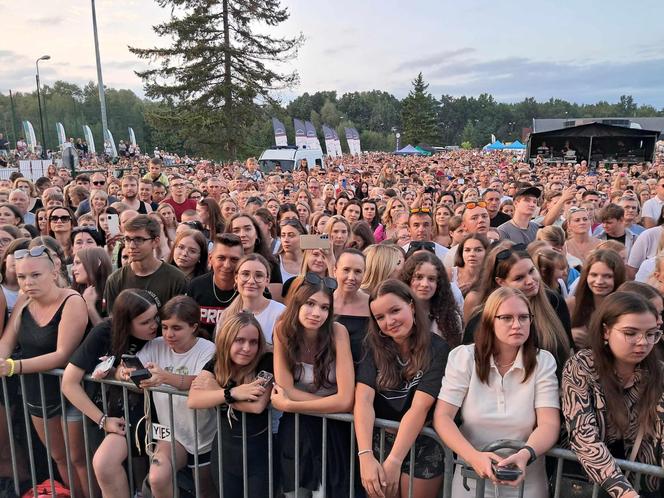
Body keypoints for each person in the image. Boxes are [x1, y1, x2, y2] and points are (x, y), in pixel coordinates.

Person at [434, 287, 560, 498]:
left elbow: (549, 423)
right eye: (507, 318)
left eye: (523, 317)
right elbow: (443, 417)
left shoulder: (543, 361)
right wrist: (473, 457)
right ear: (491, 321)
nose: (517, 325)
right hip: (471, 479)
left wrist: (525, 455)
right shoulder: (464, 358)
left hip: (526, 481)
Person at [0, 245, 89, 497]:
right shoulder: (23, 300)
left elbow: (62, 354)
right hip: (37, 391)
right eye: (21, 277)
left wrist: (14, 367)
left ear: (54, 272)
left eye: (35, 275)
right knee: (59, 456)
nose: (27, 283)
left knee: (78, 457)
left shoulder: (72, 300)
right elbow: (7, 341)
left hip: (70, 391)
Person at [562, 292, 664, 498]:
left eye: (651, 333)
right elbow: (583, 434)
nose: (643, 342)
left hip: (644, 485)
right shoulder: (582, 366)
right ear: (606, 331)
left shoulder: (658, 372)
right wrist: (624, 493)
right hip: (587, 484)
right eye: (630, 333)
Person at [355, 279, 450, 498]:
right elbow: (363, 400)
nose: (390, 321)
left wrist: (395, 460)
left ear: (412, 306)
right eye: (380, 317)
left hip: (423, 440)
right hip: (381, 439)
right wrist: (365, 455)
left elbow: (420, 407)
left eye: (395, 310)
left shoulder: (438, 348)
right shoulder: (372, 345)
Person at [62, 290, 160, 498]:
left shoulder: (163, 332)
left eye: (156, 317)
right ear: (125, 322)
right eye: (145, 322)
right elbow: (69, 383)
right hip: (117, 413)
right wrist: (103, 420)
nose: (154, 325)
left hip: (160, 415)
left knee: (153, 478)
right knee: (104, 464)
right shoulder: (104, 332)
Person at [271, 273, 355, 497]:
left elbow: (347, 399)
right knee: (296, 493)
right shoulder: (282, 331)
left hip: (333, 428)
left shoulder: (338, 332)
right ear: (297, 303)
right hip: (298, 428)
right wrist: (330, 403)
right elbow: (285, 388)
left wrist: (291, 405)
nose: (317, 313)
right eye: (310, 304)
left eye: (324, 307)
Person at [129, 296, 216, 498]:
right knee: (157, 477)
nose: (169, 334)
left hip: (202, 434)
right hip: (169, 433)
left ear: (194, 327)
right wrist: (125, 373)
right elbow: (132, 367)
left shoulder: (207, 349)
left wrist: (164, 377)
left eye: (176, 328)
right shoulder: (156, 345)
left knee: (205, 492)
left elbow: (200, 382)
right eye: (165, 327)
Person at [188, 312, 274, 497]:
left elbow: (256, 406)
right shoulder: (216, 363)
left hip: (260, 454)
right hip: (224, 451)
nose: (247, 348)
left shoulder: (266, 361)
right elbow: (194, 399)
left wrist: (217, 392)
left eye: (253, 342)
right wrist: (233, 393)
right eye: (239, 340)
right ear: (227, 340)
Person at [464, 242, 572, 377]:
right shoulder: (482, 319)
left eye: (532, 271)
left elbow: (567, 352)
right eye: (519, 278)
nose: (530, 281)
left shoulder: (554, 301)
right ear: (501, 282)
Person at [104, 215, 188, 311]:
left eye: (139, 240)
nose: (131, 245)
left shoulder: (177, 279)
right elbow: (111, 321)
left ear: (155, 242)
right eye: (127, 239)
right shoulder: (115, 280)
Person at [219, 254, 285, 344]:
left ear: (267, 281)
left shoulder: (281, 313)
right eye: (245, 274)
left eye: (258, 276)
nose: (251, 281)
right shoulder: (226, 315)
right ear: (236, 278)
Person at [401, 251, 463, 347]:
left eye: (431, 279)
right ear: (408, 279)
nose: (425, 284)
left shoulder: (450, 318)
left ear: (439, 283)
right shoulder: (397, 314)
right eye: (419, 277)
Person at [187, 233, 244, 337]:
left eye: (234, 259)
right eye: (221, 258)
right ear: (210, 259)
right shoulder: (196, 286)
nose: (227, 265)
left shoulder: (250, 290)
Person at [567, 249, 625, 349]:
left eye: (607, 276)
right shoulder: (572, 304)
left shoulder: (626, 307)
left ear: (617, 277)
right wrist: (568, 336)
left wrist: (593, 341)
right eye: (594, 275)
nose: (599, 281)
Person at [225, 213, 283, 297]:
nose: (242, 234)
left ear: (256, 233)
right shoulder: (224, 264)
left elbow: (274, 301)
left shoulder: (271, 264)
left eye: (248, 229)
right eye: (236, 231)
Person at [333, 248, 371, 363]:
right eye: (346, 270)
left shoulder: (372, 305)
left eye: (358, 271)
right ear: (335, 271)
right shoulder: (323, 304)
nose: (351, 277)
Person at [72, 247, 113, 325]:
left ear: (97, 263)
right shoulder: (75, 294)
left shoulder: (112, 294)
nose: (73, 269)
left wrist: (90, 306)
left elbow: (107, 334)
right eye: (73, 264)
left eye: (78, 263)